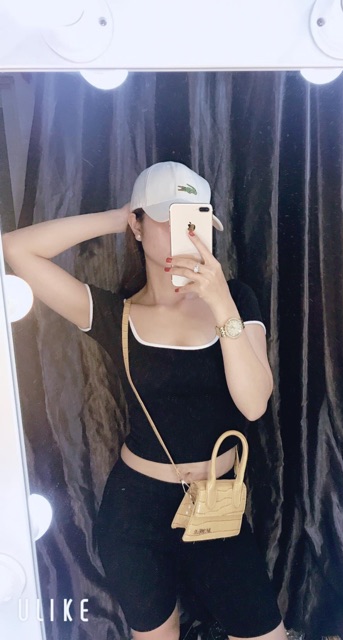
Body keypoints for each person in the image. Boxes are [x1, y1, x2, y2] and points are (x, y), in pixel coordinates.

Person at [2, 161, 287, 640]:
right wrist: (118, 217)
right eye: (168, 217)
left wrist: (220, 302)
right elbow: (16, 249)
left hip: (215, 508)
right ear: (138, 226)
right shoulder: (118, 315)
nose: (185, 232)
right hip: (135, 514)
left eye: (194, 218)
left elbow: (254, 403)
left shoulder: (236, 298)